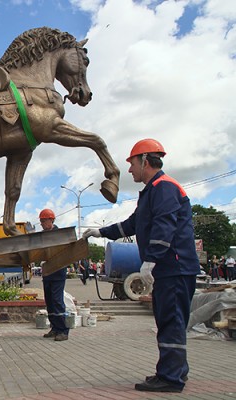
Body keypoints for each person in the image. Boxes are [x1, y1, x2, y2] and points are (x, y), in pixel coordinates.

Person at [83, 139, 199, 393]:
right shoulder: (151, 192)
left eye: (132, 163)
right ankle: (176, 370)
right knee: (171, 319)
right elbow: (132, 225)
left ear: (145, 160)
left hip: (174, 268)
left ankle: (170, 378)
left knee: (171, 320)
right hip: (171, 268)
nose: (130, 170)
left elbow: (164, 225)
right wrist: (100, 232)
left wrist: (152, 259)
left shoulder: (164, 188)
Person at [39, 209, 69, 342]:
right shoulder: (42, 236)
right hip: (47, 273)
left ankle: (63, 330)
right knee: (50, 302)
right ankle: (55, 328)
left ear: (51, 220)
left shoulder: (59, 235)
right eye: (41, 221)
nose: (42, 224)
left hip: (58, 273)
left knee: (57, 301)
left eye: (44, 221)